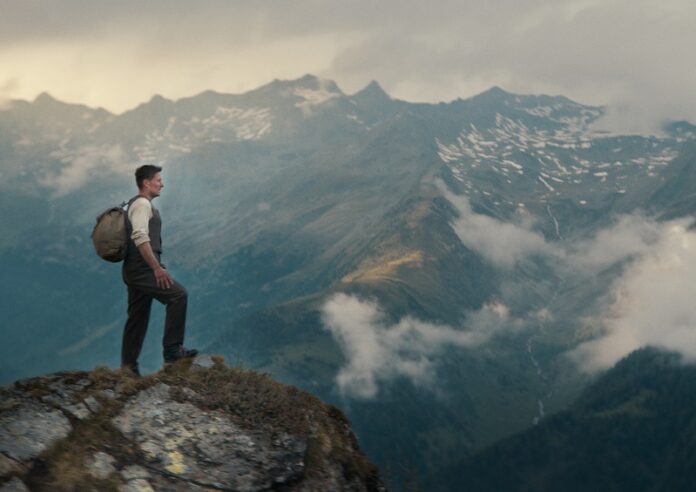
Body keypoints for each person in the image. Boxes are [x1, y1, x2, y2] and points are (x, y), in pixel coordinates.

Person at [120, 164, 197, 377]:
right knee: (178, 296)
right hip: (142, 269)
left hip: (134, 270)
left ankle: (128, 369)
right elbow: (140, 237)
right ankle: (172, 351)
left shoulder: (136, 204)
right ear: (146, 183)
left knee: (137, 318)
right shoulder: (142, 205)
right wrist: (156, 268)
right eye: (158, 180)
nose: (162, 183)